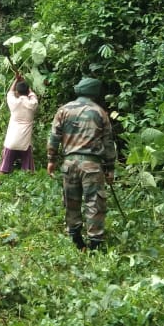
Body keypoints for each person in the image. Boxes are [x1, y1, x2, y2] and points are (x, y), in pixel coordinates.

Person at [47, 78, 117, 251]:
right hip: (92, 165)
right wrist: (110, 168)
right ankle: (95, 244)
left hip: (69, 164)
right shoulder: (100, 112)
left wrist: (51, 160)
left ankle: (75, 238)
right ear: (95, 92)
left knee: (71, 201)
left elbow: (54, 137)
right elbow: (108, 142)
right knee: (94, 203)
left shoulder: (64, 110)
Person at [0, 75, 39, 177]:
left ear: (17, 92)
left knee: (3, 169)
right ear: (27, 92)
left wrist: (16, 79)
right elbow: (32, 94)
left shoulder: (14, 103)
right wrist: (25, 83)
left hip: (12, 141)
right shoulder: (33, 104)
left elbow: (10, 93)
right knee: (28, 171)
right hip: (25, 142)